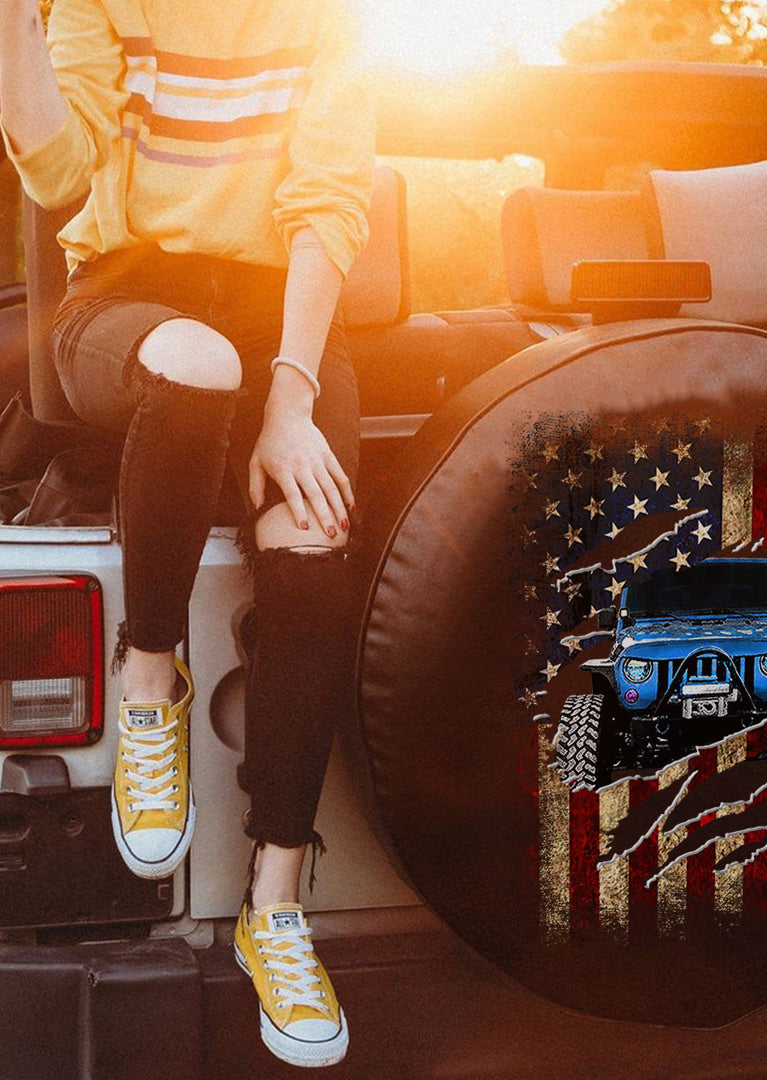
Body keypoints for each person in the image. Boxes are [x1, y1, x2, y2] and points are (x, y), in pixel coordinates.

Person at [0, 0, 374, 1067]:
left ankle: (274, 906)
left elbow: (327, 202)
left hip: (284, 318)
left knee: (309, 550)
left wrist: (294, 396)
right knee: (200, 364)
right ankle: (150, 677)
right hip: (126, 297)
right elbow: (60, 174)